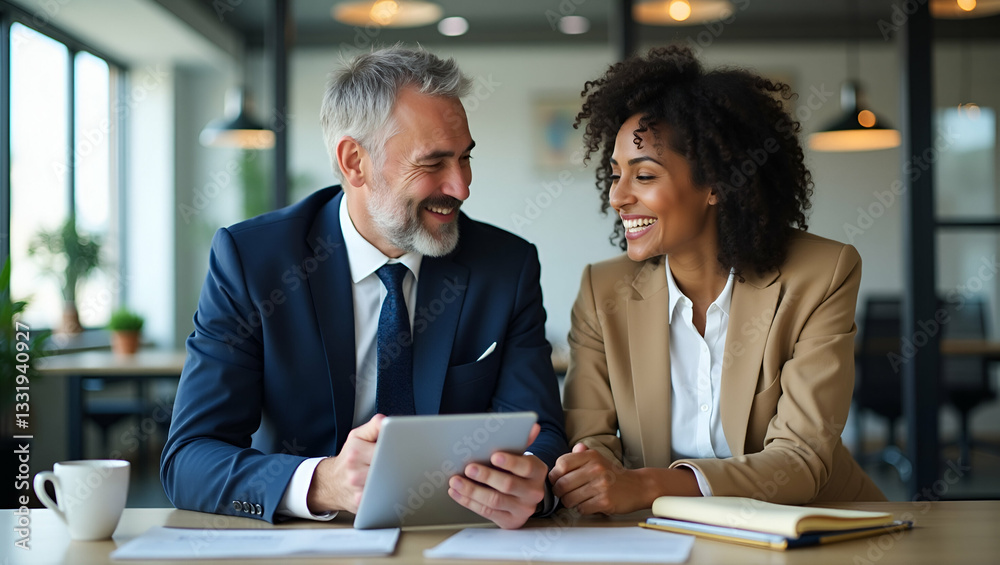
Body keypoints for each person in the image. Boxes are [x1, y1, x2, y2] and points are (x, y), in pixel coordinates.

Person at [161, 46, 568, 529]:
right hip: (303, 545)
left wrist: (533, 483)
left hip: (457, 537)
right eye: (433, 163)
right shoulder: (253, 262)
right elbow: (189, 458)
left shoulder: (506, 266)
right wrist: (322, 483)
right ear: (355, 161)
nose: (461, 187)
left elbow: (542, 432)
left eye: (465, 158)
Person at [548, 45, 885, 515]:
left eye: (643, 176)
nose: (617, 196)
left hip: (813, 527)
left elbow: (800, 459)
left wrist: (646, 485)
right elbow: (591, 440)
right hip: (661, 533)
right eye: (616, 174)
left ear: (715, 184)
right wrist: (595, 474)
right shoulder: (601, 291)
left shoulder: (821, 274)